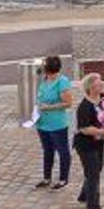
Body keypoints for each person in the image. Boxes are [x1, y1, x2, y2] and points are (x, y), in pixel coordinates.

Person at [73, 73, 104, 209]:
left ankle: (84, 195)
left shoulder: (102, 97)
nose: (102, 86)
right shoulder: (84, 107)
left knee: (97, 168)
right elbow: (85, 129)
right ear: (90, 88)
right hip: (85, 144)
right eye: (99, 85)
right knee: (93, 174)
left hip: (98, 142)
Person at [33, 55, 75, 191]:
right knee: (47, 151)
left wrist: (49, 107)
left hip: (57, 124)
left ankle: (63, 179)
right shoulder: (43, 79)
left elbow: (68, 103)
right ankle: (47, 178)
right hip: (42, 122)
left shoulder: (62, 82)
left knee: (63, 152)